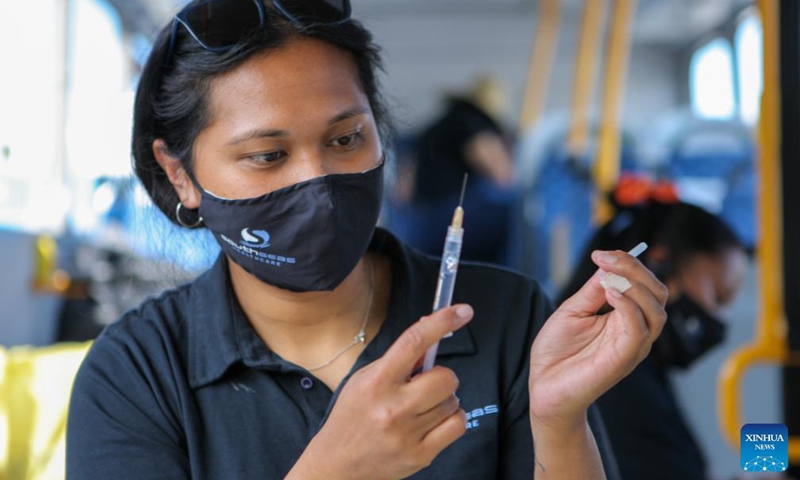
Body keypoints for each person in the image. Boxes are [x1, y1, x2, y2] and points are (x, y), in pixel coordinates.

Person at [65, 1, 668, 479]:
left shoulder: (508, 317)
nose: (318, 180)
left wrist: (559, 422)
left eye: (346, 139)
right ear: (180, 175)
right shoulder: (134, 374)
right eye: (267, 155)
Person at [558, 176, 749, 480]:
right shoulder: (612, 378)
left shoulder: (631, 366)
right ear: (661, 264)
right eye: (718, 295)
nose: (720, 317)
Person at [393, 76, 516, 265]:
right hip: (456, 218)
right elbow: (501, 174)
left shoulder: (433, 128)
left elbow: (402, 189)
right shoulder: (474, 122)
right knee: (515, 215)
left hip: (421, 223)